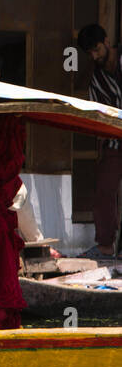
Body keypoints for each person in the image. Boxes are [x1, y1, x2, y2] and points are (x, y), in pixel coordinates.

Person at [76, 24, 122, 258]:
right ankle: (105, 244)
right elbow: (97, 113)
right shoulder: (97, 79)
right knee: (104, 189)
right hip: (115, 140)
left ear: (106, 41)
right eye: (90, 53)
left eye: (97, 49)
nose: (95, 56)